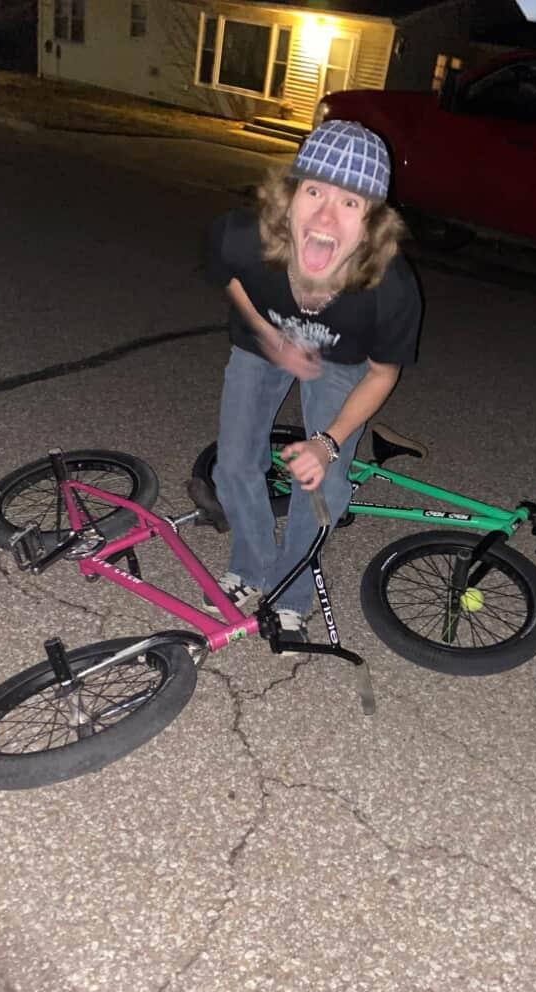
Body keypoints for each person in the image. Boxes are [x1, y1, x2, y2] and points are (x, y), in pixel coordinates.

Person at [205, 119, 423, 647]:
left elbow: (383, 373)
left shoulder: (391, 288)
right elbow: (226, 275)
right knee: (232, 464)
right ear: (289, 199)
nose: (326, 215)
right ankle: (252, 565)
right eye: (315, 191)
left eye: (350, 202)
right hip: (261, 345)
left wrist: (328, 444)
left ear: (372, 224)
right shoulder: (245, 234)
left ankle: (290, 592)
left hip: (343, 361)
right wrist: (268, 334)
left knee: (324, 482)